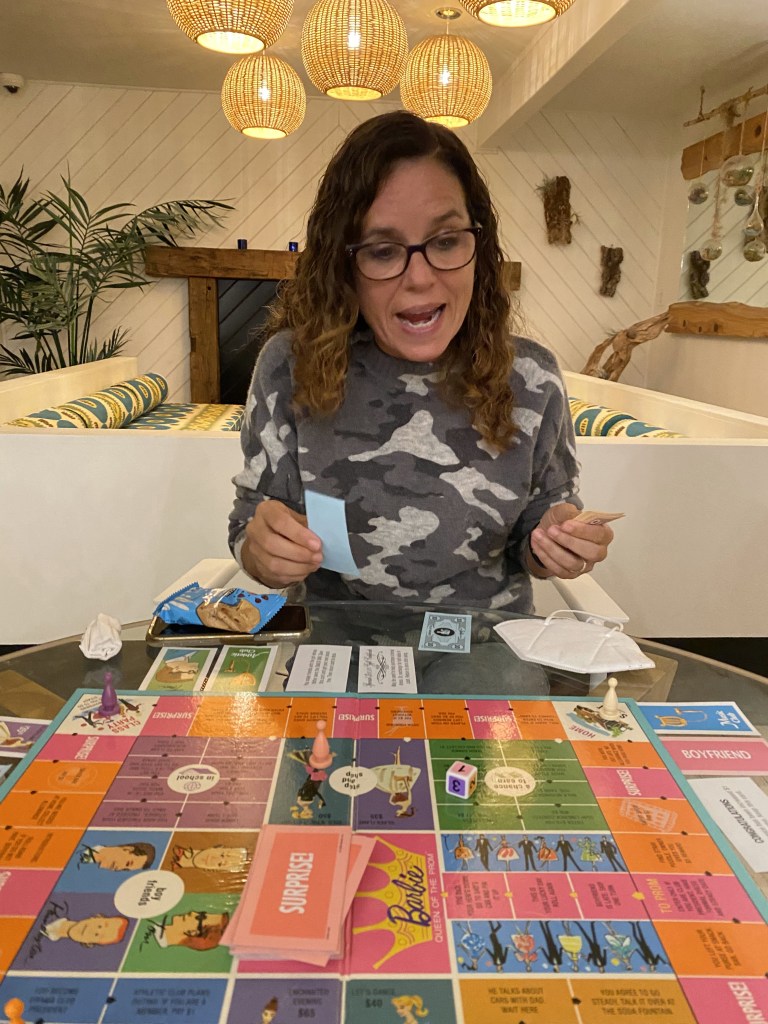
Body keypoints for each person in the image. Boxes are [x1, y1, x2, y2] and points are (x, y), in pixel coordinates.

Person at [229, 110, 614, 630]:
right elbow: (250, 522)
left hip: (484, 640)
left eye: (446, 241)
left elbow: (537, 532)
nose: (420, 278)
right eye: (382, 251)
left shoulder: (533, 377)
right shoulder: (289, 366)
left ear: (479, 247)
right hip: (337, 638)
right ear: (344, 264)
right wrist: (262, 551)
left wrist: (558, 542)